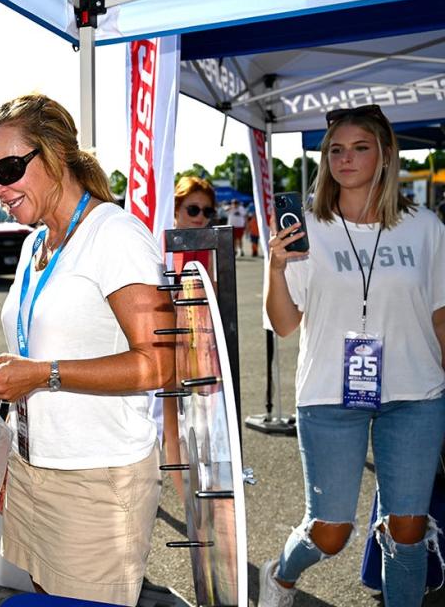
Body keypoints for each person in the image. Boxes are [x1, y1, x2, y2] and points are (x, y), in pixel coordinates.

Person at [0, 93, 175, 605]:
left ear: (56, 154)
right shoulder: (39, 243)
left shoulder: (115, 236)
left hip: (98, 480)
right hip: (35, 471)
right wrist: (13, 456)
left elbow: (163, 363)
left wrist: (41, 374)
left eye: (9, 169)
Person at [260, 104, 445, 607]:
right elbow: (283, 323)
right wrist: (276, 268)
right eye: (335, 150)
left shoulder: (426, 227)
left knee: (408, 530)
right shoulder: (306, 229)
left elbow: (440, 315)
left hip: (416, 393)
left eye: (359, 147)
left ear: (385, 156)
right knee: (330, 532)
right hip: (327, 391)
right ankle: (280, 575)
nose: (345, 158)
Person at [172, 174, 216, 273]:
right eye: (193, 209)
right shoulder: (160, 242)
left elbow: (212, 286)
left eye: (207, 211)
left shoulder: (207, 246)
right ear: (177, 207)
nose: (200, 216)